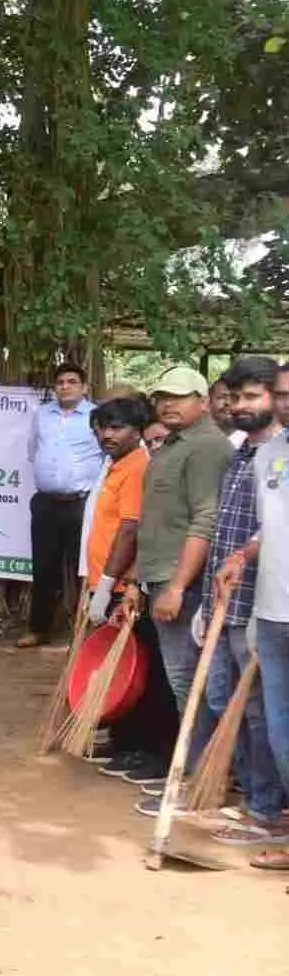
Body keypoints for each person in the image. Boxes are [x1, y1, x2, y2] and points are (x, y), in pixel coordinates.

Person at [133, 365, 234, 816]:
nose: (168, 404)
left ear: (202, 400)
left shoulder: (207, 447)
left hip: (184, 583)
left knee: (191, 682)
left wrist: (176, 586)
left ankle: (199, 782)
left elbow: (205, 520)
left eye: (179, 396)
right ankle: (191, 776)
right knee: (183, 682)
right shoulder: (173, 444)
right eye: (162, 397)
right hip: (160, 577)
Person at [193, 358, 288, 840]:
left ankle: (266, 808)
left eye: (253, 396)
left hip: (260, 604)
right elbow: (234, 531)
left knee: (258, 711)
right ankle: (249, 795)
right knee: (228, 701)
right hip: (228, 600)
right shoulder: (244, 455)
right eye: (234, 398)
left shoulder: (278, 454)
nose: (239, 406)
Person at [79, 398, 175, 794]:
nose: (107, 435)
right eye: (102, 427)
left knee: (139, 671)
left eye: (116, 427)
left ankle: (146, 748)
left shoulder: (137, 468)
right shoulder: (116, 466)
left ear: (137, 430)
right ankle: (126, 742)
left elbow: (131, 530)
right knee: (119, 670)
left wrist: (108, 584)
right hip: (108, 582)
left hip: (125, 586)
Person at [219, 384, 289, 869]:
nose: (288, 401)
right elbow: (273, 524)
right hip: (271, 612)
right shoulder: (272, 455)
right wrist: (244, 554)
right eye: (284, 392)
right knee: (282, 732)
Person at [18, 364, 100, 649]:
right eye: (61, 382)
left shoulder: (96, 416)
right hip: (45, 504)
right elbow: (33, 451)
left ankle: (86, 632)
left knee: (84, 569)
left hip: (82, 504)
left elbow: (106, 457)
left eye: (72, 382)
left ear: (84, 387)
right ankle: (38, 629)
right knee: (44, 568)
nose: (65, 386)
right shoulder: (42, 415)